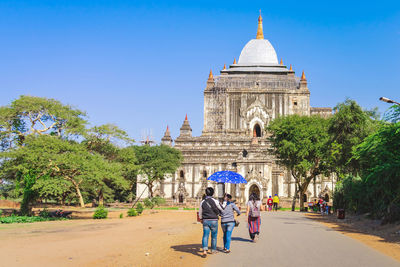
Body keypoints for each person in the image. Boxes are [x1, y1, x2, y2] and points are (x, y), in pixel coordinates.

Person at [198, 187, 223, 257]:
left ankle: (205, 250)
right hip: (214, 220)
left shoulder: (202, 202)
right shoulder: (215, 201)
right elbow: (221, 209)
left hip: (205, 220)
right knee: (214, 236)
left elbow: (200, 211)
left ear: (206, 193)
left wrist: (200, 219)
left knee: (205, 235)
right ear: (213, 193)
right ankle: (213, 250)